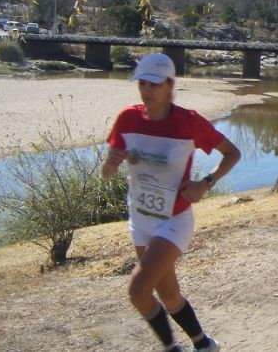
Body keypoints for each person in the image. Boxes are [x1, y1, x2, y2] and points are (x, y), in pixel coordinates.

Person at [102, 53, 241, 352]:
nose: (146, 91)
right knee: (168, 295)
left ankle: (171, 349)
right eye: (142, 83)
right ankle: (204, 344)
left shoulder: (188, 123)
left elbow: (232, 153)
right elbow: (106, 172)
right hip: (139, 219)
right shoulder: (127, 118)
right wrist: (110, 165)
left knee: (138, 290)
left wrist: (206, 183)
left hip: (174, 220)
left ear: (169, 85)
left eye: (154, 84)